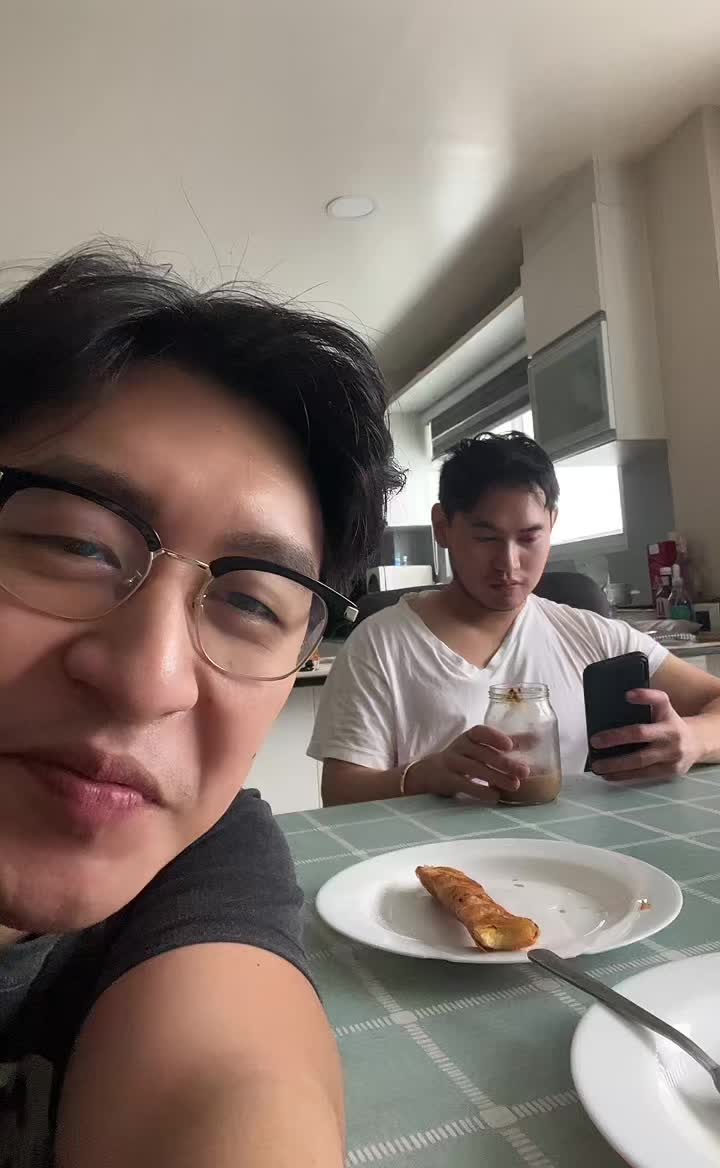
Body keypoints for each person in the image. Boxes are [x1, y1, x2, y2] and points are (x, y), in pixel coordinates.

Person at [0, 244, 403, 1167]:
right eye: (75, 546)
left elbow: (233, 1089)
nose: (151, 681)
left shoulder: (201, 851)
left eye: (254, 604)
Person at [310, 432, 720, 806]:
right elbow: (339, 793)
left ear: (552, 524)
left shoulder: (592, 637)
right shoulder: (380, 646)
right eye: (486, 537)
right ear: (442, 527)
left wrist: (693, 740)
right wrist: (425, 775)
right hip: (438, 855)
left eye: (529, 537)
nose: (508, 563)